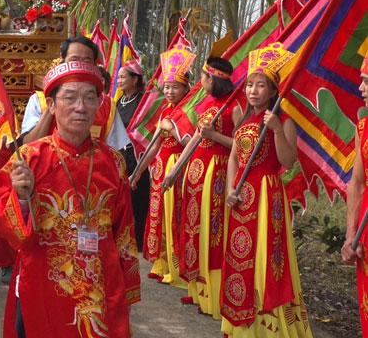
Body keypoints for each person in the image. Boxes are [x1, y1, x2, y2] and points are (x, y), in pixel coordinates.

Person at [0, 61, 140, 337]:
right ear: (51, 104)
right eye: (70, 98)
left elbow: (125, 234)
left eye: (89, 98)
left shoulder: (113, 162)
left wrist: (127, 291)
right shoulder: (29, 159)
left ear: (98, 105)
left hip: (101, 285)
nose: (80, 107)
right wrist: (22, 200)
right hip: (43, 283)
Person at [221, 43, 311, 337]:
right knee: (240, 256)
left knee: (265, 257)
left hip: (267, 195)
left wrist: (274, 130)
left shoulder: (283, 122)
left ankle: (267, 326)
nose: (253, 91)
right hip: (242, 198)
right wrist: (231, 189)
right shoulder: (244, 119)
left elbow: (287, 160)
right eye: (249, 85)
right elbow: (234, 156)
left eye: (261, 86)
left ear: (274, 92)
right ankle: (240, 322)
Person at [162, 57, 235, 317]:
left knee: (212, 232)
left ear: (212, 79)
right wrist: (174, 171)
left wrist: (214, 136)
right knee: (196, 230)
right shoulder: (207, 105)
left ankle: (214, 297)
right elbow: (194, 140)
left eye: (204, 76)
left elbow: (242, 145)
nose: (201, 81)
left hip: (218, 174)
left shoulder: (234, 107)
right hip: (197, 174)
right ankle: (198, 292)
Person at [130, 43, 194, 289]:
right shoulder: (165, 110)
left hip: (178, 166)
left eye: (174, 87)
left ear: (186, 87)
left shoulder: (188, 111)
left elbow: (192, 141)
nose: (169, 91)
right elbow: (154, 146)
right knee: (158, 216)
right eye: (167, 87)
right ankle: (161, 263)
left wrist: (174, 130)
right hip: (160, 167)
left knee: (175, 216)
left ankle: (176, 269)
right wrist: (138, 173)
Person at [20, 36, 130, 151]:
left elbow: (114, 153)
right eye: (74, 60)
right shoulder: (40, 100)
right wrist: (53, 99)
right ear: (62, 63)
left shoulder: (107, 106)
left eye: (87, 62)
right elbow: (28, 148)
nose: (79, 67)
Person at [343, 55, 368, 334]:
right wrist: (351, 235)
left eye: (366, 83)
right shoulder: (364, 128)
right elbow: (357, 184)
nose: (361, 89)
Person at [116, 59, 150, 252]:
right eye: (118, 77)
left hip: (137, 156)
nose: (119, 81)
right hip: (119, 156)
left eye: (123, 77)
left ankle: (138, 238)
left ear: (135, 80)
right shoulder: (119, 101)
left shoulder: (143, 102)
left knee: (137, 196)